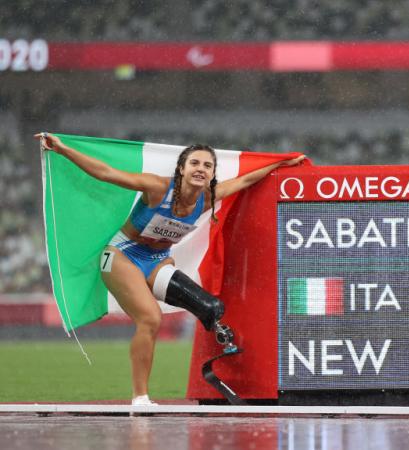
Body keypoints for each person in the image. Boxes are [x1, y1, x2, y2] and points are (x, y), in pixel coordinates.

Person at [36, 133, 305, 405]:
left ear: (212, 173)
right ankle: (140, 397)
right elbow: (106, 173)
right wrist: (63, 150)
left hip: (157, 260)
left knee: (209, 306)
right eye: (195, 163)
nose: (200, 169)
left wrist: (281, 164)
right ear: (182, 169)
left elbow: (246, 180)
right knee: (151, 319)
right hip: (121, 255)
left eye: (207, 166)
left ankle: (225, 352)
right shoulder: (156, 188)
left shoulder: (208, 198)